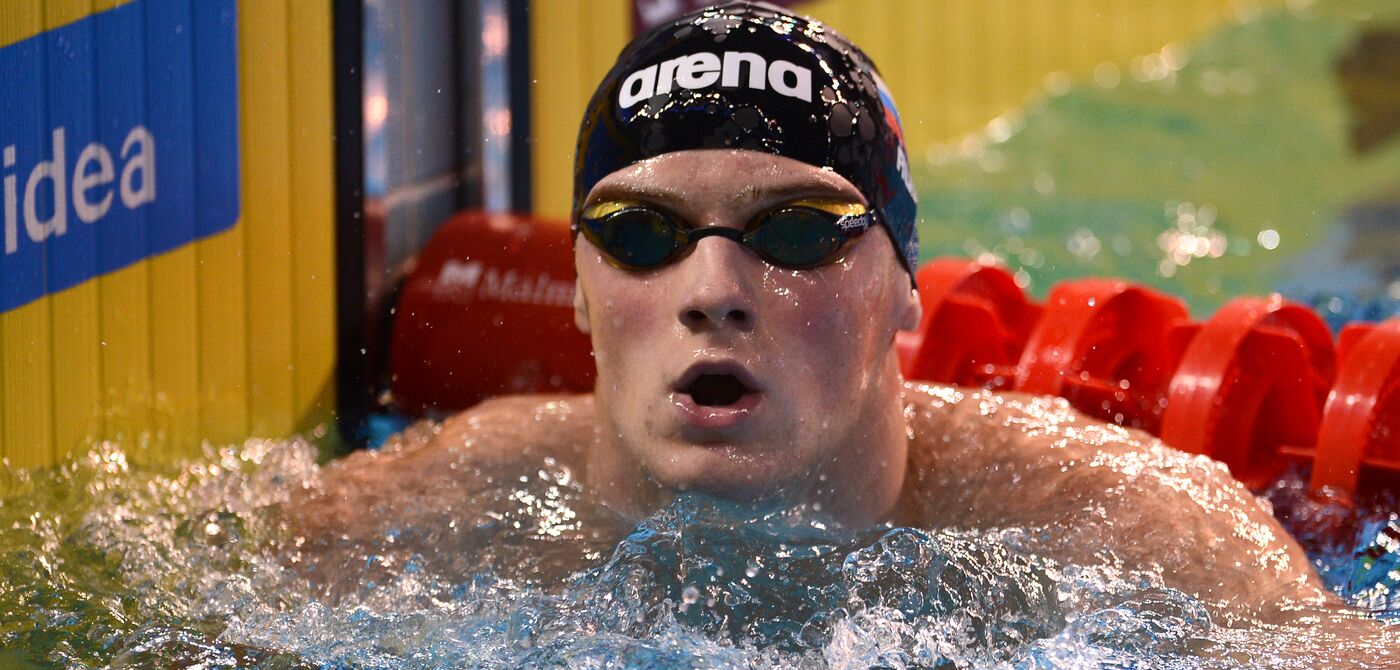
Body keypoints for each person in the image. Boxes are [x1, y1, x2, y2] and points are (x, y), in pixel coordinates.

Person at [290, 0, 1329, 618]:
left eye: (795, 233)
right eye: (639, 235)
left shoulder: (1129, 532)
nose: (711, 295)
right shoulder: (430, 514)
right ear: (573, 287)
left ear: (904, 289)